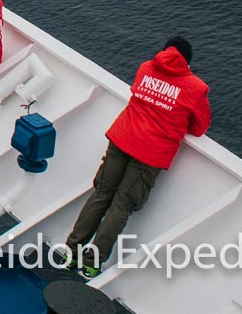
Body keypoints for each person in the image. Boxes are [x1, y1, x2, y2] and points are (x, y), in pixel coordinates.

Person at [65, 37, 212, 278]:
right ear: (187, 62)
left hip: (123, 138)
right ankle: (92, 262)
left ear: (164, 51)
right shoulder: (195, 88)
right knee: (121, 205)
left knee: (102, 193)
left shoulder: (146, 68)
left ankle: (71, 251)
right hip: (150, 153)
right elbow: (199, 127)